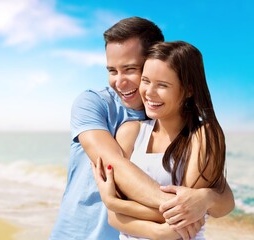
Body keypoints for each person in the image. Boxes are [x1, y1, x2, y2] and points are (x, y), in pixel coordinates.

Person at [50, 17, 234, 240]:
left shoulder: (175, 122)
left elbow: (219, 192)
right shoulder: (94, 104)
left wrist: (206, 198)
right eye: (112, 71)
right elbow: (114, 165)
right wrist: (180, 209)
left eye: (130, 69)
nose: (119, 82)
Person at [92, 41, 229, 239]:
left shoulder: (203, 136)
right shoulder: (129, 132)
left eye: (162, 85)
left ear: (189, 90)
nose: (149, 92)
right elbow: (114, 219)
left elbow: (183, 219)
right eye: (146, 81)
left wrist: (115, 203)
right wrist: (116, 208)